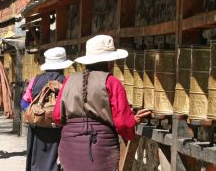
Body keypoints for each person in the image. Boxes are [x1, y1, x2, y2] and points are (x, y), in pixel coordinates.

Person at [53, 35, 151, 171]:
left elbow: (57, 117)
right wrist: (132, 123)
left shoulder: (68, 81)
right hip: (100, 148)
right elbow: (122, 123)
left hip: (69, 147)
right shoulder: (112, 83)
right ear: (110, 62)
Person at [21, 47, 73, 171]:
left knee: (36, 160)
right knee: (55, 161)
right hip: (58, 129)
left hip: (37, 129)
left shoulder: (36, 80)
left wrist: (37, 113)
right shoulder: (67, 81)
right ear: (63, 65)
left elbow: (24, 102)